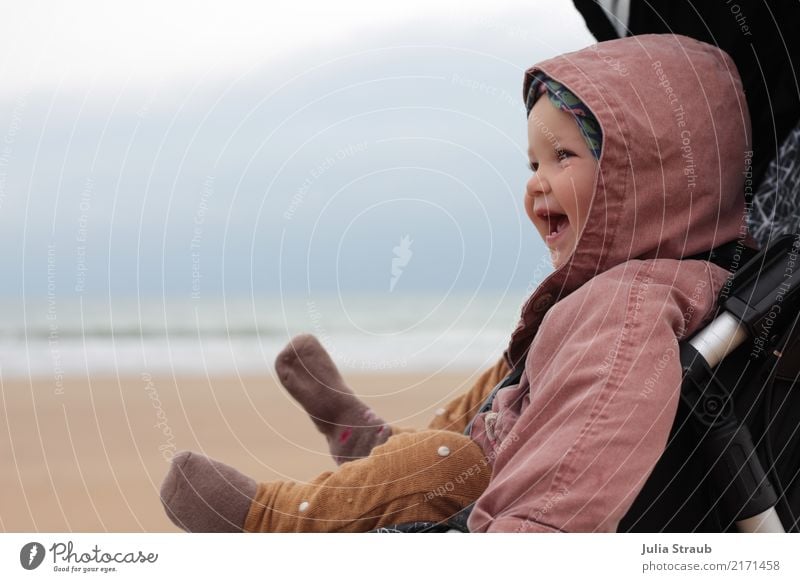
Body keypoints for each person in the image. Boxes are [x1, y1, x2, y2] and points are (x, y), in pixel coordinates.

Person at [160, 33, 752, 532]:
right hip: (508, 428)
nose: (537, 183)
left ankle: (271, 520)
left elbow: (580, 461)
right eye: (532, 164)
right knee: (502, 379)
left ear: (647, 178)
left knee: (434, 464)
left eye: (563, 157)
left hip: (490, 485)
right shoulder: (643, 283)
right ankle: (373, 446)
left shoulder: (624, 314)